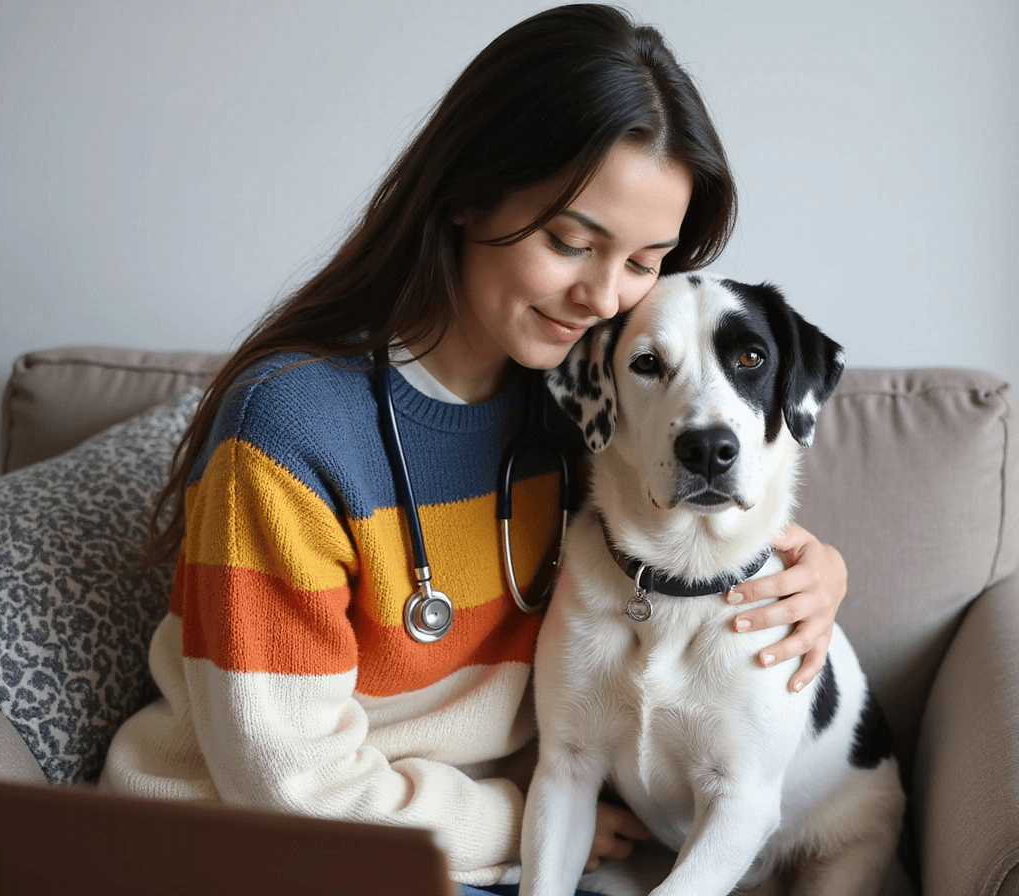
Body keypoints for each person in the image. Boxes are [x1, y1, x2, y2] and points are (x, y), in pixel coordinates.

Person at [100, 5, 848, 892]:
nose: (604, 297)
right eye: (571, 241)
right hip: (249, 848)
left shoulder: (583, 403)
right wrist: (509, 821)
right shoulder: (291, 434)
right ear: (465, 193)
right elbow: (284, 784)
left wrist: (818, 570)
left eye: (646, 261)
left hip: (469, 851)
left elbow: (690, 534)